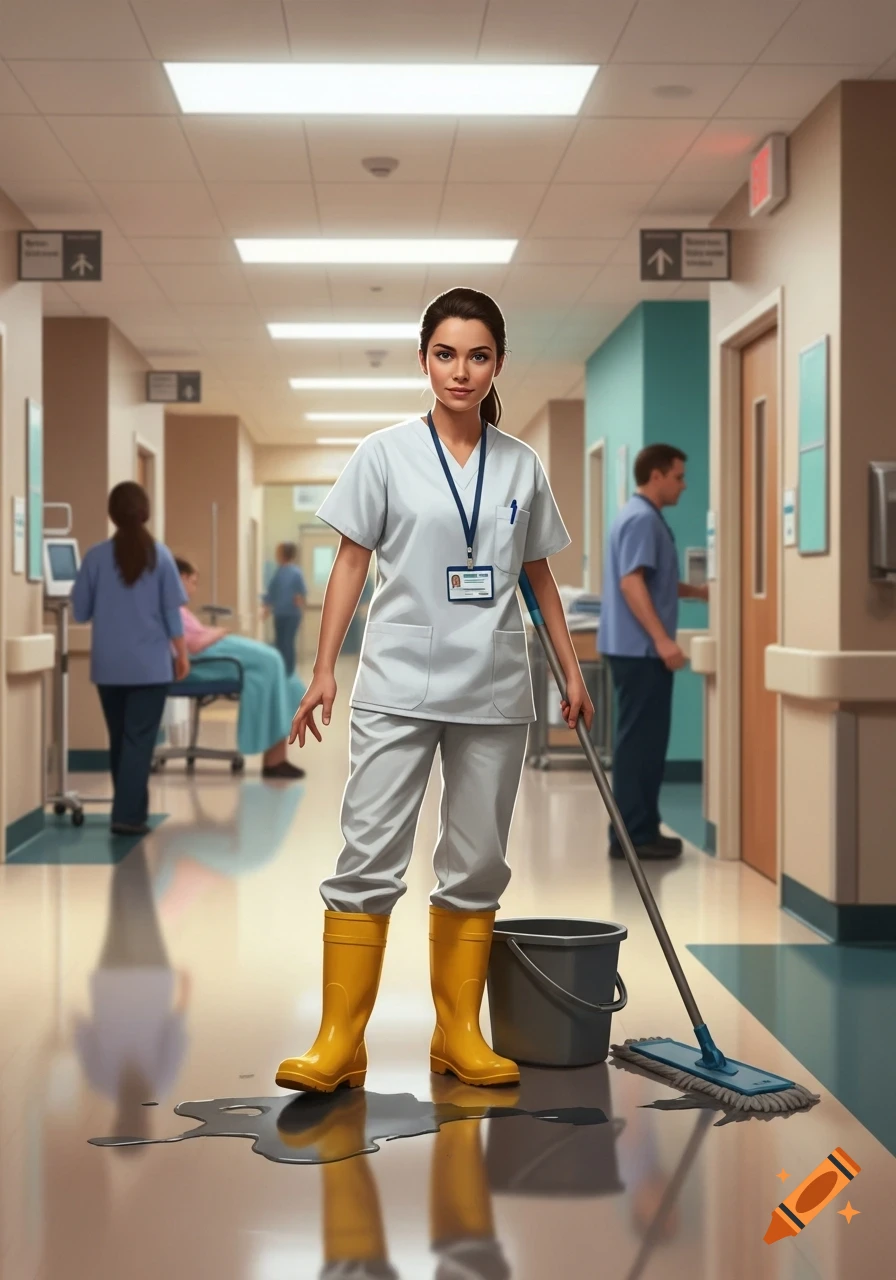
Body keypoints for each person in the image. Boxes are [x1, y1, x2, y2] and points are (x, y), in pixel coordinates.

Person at [275, 286, 594, 1095]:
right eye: (446, 354)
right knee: (368, 856)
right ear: (424, 361)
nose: (461, 371)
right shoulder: (383, 454)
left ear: (497, 365)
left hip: (492, 685)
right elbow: (350, 563)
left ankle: (459, 1033)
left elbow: (540, 577)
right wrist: (322, 671)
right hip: (395, 684)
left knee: (477, 860)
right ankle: (339, 1040)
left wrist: (570, 666)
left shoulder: (520, 462)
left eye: (478, 355)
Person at [598, 444, 709, 861]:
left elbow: (653, 578)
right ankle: (632, 837)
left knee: (645, 745)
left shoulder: (642, 517)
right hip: (640, 651)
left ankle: (643, 827)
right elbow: (632, 583)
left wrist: (695, 592)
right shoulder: (642, 519)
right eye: (678, 476)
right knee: (638, 748)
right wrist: (663, 639)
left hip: (635, 649)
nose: (683, 485)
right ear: (657, 476)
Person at [72, 482, 189, 836]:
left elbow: (79, 611)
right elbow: (172, 614)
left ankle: (130, 812)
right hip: (151, 667)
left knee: (119, 740)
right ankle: (127, 816)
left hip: (109, 667)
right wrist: (181, 655)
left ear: (112, 514)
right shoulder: (162, 556)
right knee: (139, 740)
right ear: (145, 512)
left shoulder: (94, 558)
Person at [174, 558, 306, 780]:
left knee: (285, 679)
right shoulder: (170, 610)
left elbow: (193, 636)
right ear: (180, 578)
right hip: (208, 662)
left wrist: (211, 632)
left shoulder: (180, 610)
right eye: (193, 582)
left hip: (215, 653)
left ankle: (276, 757)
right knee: (271, 662)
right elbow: (192, 645)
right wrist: (216, 632)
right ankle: (274, 761)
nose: (194, 589)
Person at [263, 541, 307, 676]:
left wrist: (267, 608)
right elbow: (272, 592)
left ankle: (288, 672)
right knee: (281, 642)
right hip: (283, 613)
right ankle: (284, 671)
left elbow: (300, 594)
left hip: (290, 614)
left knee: (286, 643)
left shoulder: (293, 572)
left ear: (283, 555)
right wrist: (267, 608)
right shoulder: (282, 572)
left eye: (278, 552)